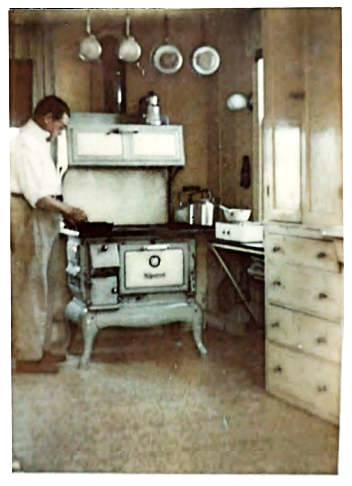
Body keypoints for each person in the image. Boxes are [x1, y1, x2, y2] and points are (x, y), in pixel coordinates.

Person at [10, 95, 88, 373]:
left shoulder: (41, 142)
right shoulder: (25, 143)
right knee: (30, 285)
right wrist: (68, 209)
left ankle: (49, 347)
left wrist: (63, 211)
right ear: (47, 119)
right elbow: (36, 196)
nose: (61, 133)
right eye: (60, 127)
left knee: (54, 283)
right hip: (31, 215)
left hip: (48, 215)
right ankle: (29, 355)